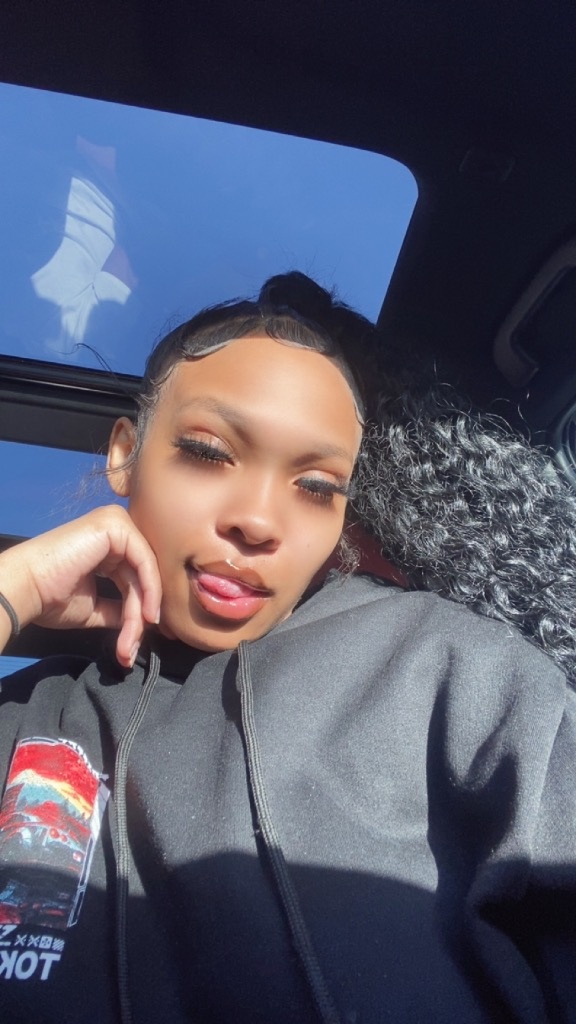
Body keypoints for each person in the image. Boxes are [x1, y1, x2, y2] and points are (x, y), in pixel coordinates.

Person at [0, 272, 575, 1024]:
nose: (259, 521)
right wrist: (12, 590)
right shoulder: (28, 713)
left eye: (317, 486)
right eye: (208, 451)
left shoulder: (446, 666)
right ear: (124, 453)